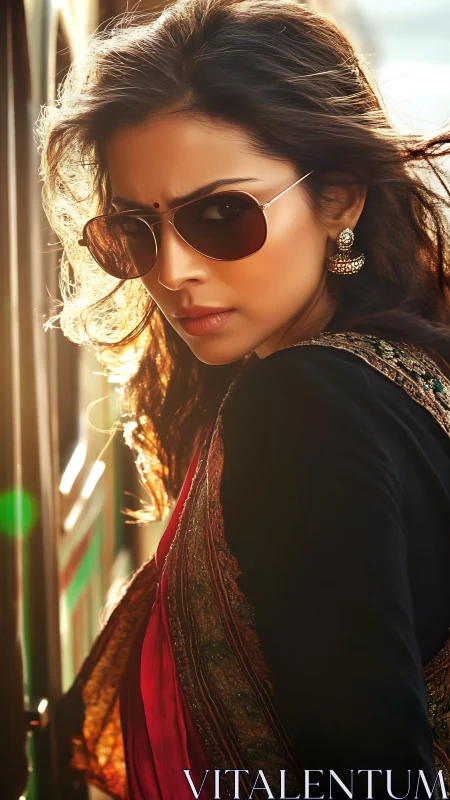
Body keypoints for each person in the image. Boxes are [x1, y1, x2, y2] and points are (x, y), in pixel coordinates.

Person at [37, 0, 450, 797]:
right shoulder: (412, 361)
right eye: (137, 230)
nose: (174, 271)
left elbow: (367, 771)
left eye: (221, 213)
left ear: (339, 200)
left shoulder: (305, 408)